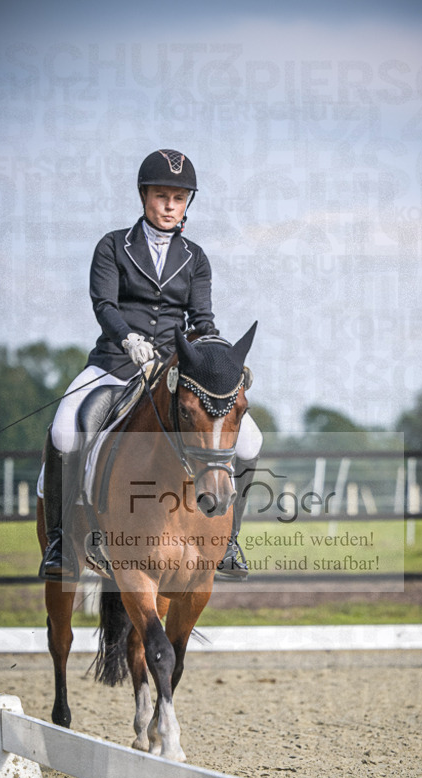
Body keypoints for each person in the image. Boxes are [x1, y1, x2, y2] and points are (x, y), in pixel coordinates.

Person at [38, 148, 261, 581]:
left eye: (178, 198)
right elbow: (103, 302)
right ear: (145, 197)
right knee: (67, 426)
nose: (169, 206)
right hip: (115, 363)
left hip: (171, 373)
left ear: (187, 204)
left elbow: (203, 320)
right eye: (162, 196)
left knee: (250, 440)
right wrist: (128, 339)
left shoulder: (195, 258)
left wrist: (219, 358)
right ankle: (61, 541)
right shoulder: (112, 246)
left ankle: (229, 538)